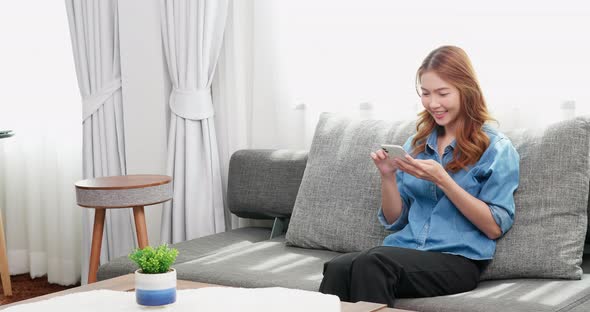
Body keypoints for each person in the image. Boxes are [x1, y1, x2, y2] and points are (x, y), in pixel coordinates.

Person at [318, 45, 520, 308]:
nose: (433, 103)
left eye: (442, 93)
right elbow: (395, 220)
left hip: (457, 259)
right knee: (338, 267)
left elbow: (494, 226)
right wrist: (388, 177)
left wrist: (443, 180)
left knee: (372, 263)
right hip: (408, 250)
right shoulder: (417, 143)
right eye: (425, 94)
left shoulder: (495, 148)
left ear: (466, 90)